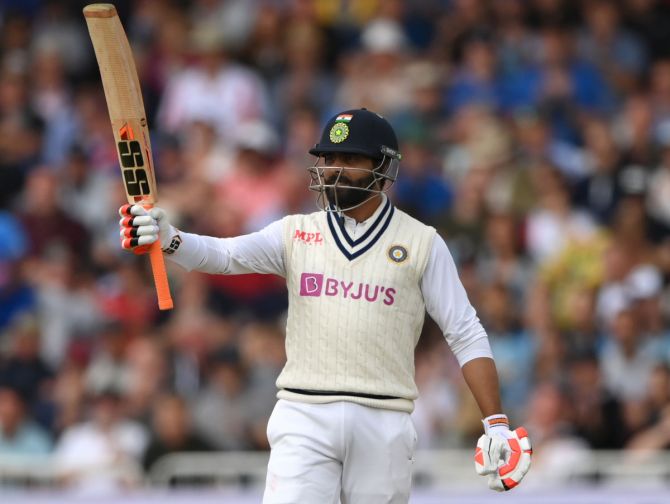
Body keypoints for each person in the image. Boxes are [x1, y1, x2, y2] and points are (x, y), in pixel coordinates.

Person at [118, 108, 532, 502]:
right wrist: (169, 237)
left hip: (384, 418)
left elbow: (465, 332)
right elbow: (223, 256)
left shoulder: (422, 242)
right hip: (304, 412)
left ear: (382, 167)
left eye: (348, 158)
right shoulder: (297, 232)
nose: (333, 168)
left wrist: (495, 423)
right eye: (328, 157)